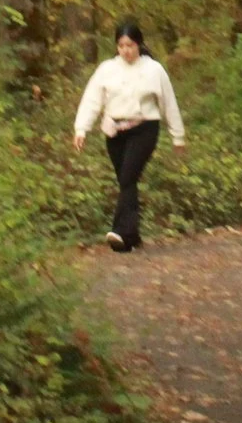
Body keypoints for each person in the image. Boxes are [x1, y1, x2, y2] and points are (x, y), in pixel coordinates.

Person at [71, 22, 186, 252]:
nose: (126, 50)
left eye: (130, 45)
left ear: (139, 44)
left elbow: (168, 103)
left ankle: (120, 231)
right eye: (121, 46)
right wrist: (81, 128)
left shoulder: (154, 70)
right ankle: (132, 237)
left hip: (144, 128)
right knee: (127, 182)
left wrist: (178, 136)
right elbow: (92, 99)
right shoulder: (107, 69)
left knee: (127, 176)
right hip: (115, 131)